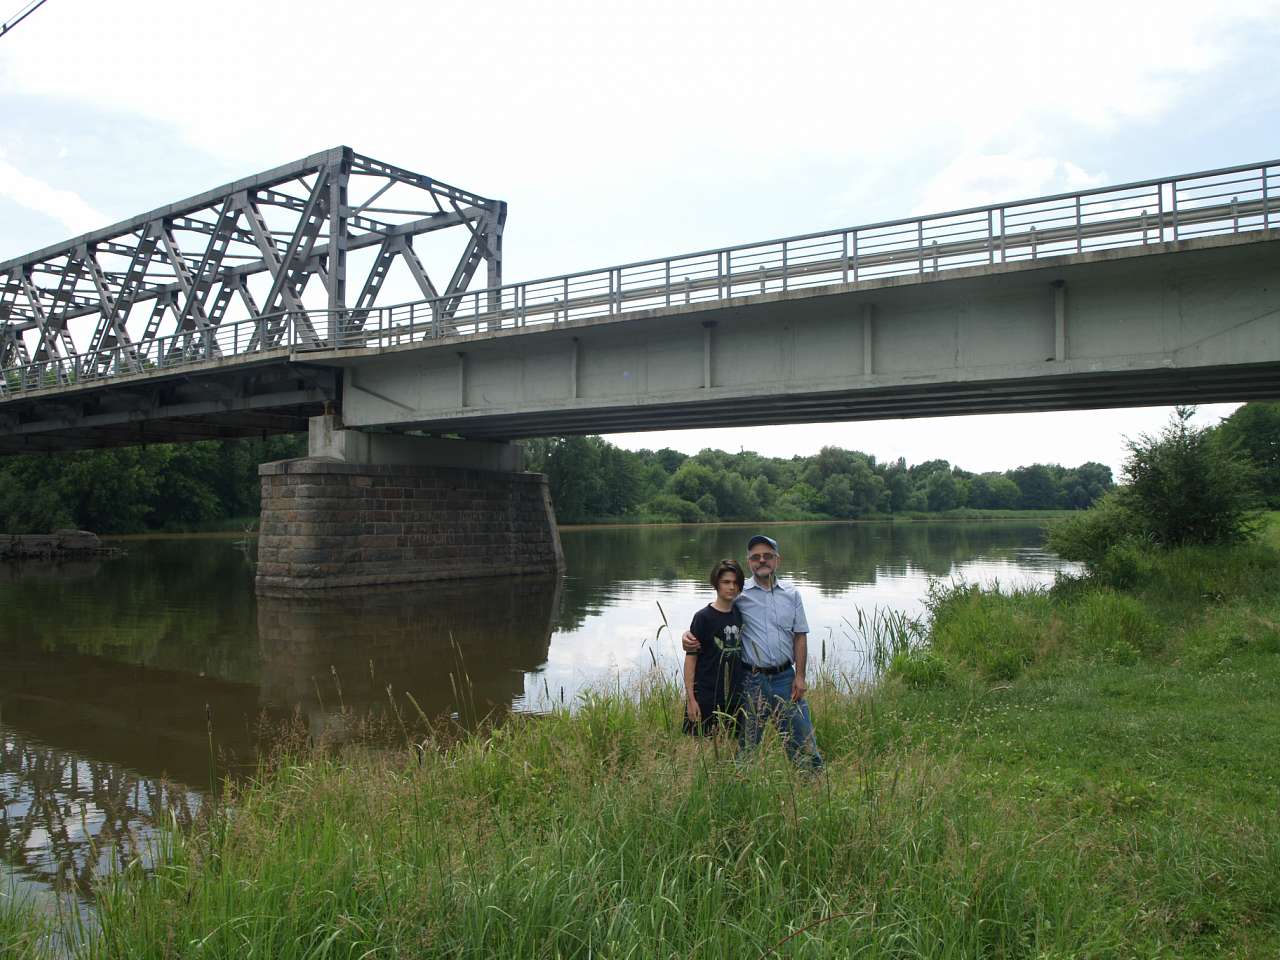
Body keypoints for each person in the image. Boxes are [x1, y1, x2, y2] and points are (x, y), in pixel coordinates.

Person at [683, 534, 822, 770]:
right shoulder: (739, 593)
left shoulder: (792, 594)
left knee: (803, 738)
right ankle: (742, 786)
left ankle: (813, 783)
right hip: (750, 681)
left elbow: (800, 635)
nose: (762, 561)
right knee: (746, 744)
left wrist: (800, 676)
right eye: (756, 557)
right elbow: (714, 615)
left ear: (777, 560)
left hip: (785, 679)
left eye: (767, 556)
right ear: (749, 562)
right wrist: (688, 636)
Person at [683, 559, 746, 736]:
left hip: (735, 696)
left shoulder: (741, 614)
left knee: (732, 749)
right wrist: (691, 699)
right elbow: (691, 657)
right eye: (726, 582)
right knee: (701, 748)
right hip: (706, 695)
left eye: (735, 583)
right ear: (716, 584)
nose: (731, 587)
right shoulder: (703, 617)